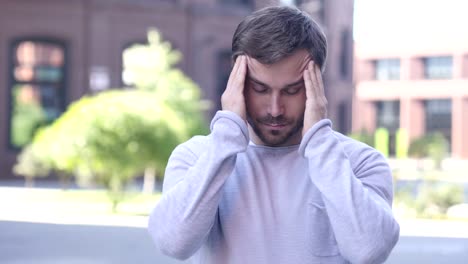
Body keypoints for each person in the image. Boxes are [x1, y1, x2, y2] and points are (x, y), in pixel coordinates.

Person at [148, 5, 399, 264]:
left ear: (317, 85)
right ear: (238, 80)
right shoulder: (197, 157)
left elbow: (369, 251)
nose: (275, 109)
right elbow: (173, 243)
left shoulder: (361, 162)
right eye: (260, 89)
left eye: (292, 91)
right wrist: (227, 135)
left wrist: (320, 143)